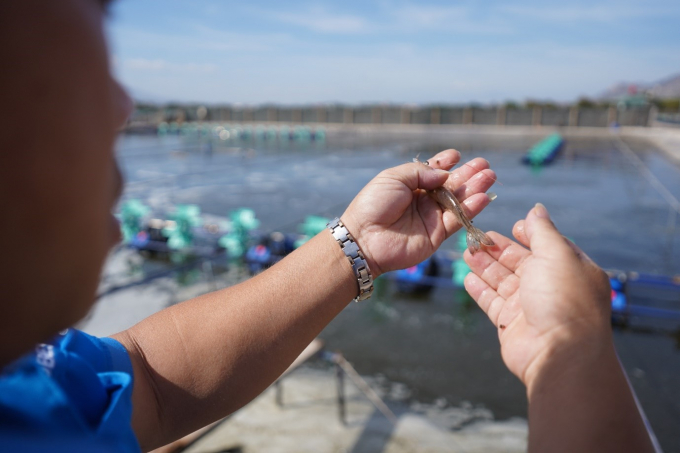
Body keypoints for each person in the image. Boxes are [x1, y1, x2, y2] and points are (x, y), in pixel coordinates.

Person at [0, 1, 655, 452]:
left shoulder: (25, 384)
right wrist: (571, 352)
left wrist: (355, 246)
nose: (123, 105)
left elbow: (146, 383)